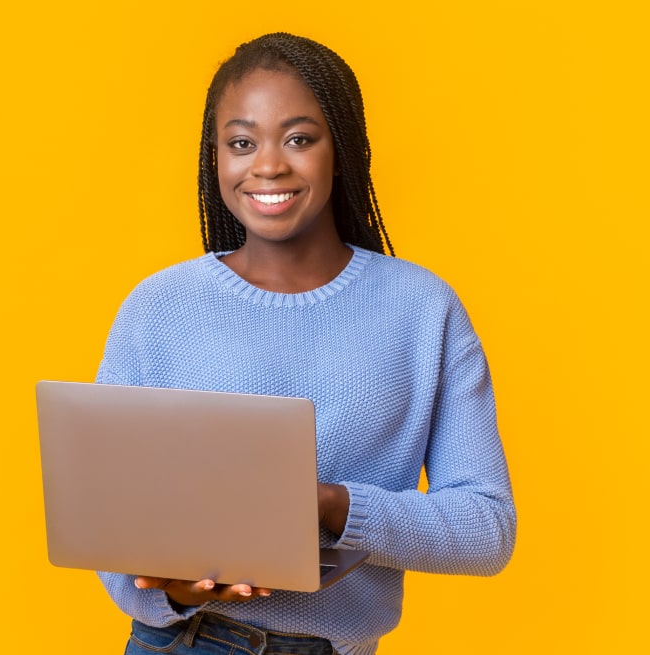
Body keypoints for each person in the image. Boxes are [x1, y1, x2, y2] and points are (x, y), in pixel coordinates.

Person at [93, 33, 516, 655]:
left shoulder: (423, 310)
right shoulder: (158, 308)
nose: (268, 165)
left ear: (339, 151)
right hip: (178, 641)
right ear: (216, 158)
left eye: (298, 138)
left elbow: (486, 529)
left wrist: (329, 507)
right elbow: (108, 526)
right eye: (242, 142)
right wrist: (180, 591)